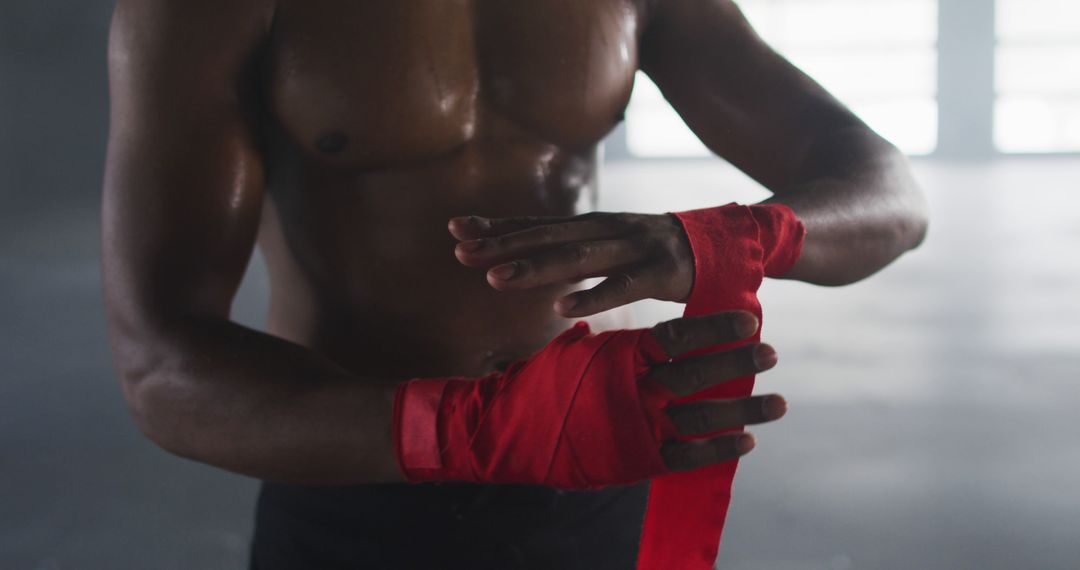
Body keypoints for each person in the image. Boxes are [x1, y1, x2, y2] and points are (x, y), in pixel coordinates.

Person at [101, 0, 928, 568]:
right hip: (356, 489)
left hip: (593, 473)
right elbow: (160, 373)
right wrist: (469, 430)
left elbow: (888, 196)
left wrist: (725, 237)